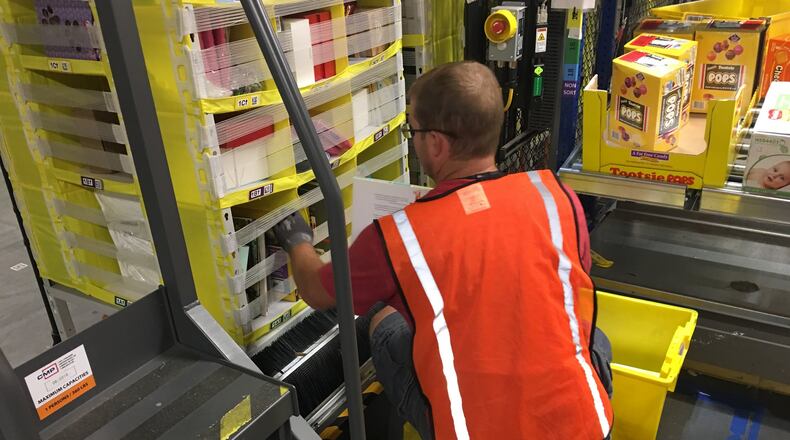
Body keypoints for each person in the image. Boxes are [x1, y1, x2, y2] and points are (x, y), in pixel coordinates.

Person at [274, 61, 613, 439]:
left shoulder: (398, 235)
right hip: (587, 427)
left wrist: (297, 239)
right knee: (590, 335)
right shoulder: (555, 198)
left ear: (435, 142)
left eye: (413, 132)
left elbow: (317, 291)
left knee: (385, 320)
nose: (414, 141)